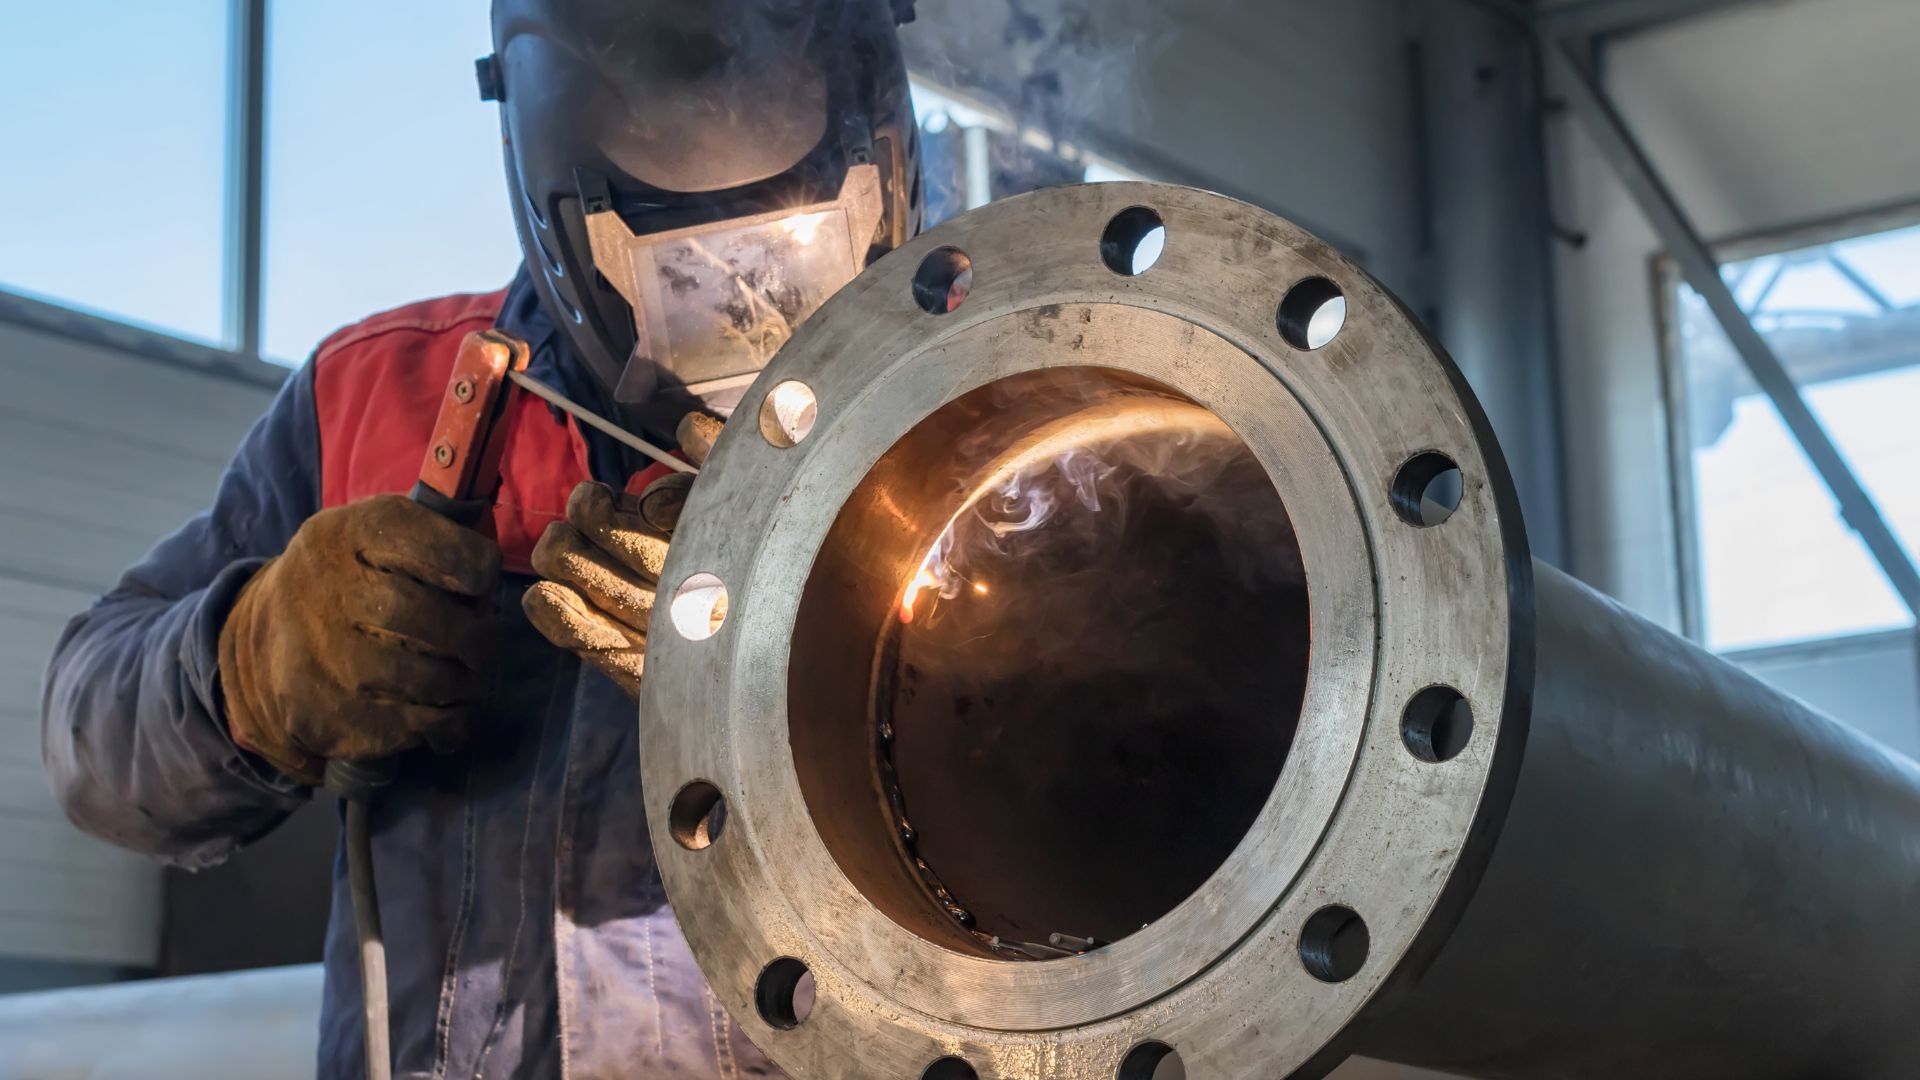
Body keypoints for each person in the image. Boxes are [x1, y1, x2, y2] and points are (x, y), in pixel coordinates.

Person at [40, 0, 922, 1075]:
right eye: (689, 278)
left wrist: (839, 686)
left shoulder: (988, 407)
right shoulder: (380, 395)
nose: (741, 311)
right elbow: (88, 740)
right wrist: (252, 665)